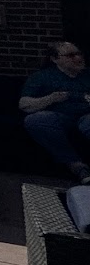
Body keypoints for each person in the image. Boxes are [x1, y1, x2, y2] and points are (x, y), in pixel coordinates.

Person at [21, 43, 90, 182]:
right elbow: (24, 105)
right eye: (70, 55)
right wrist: (51, 98)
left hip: (86, 115)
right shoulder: (42, 76)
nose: (78, 58)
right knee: (35, 120)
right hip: (60, 116)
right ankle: (76, 165)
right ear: (54, 59)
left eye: (79, 54)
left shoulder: (87, 74)